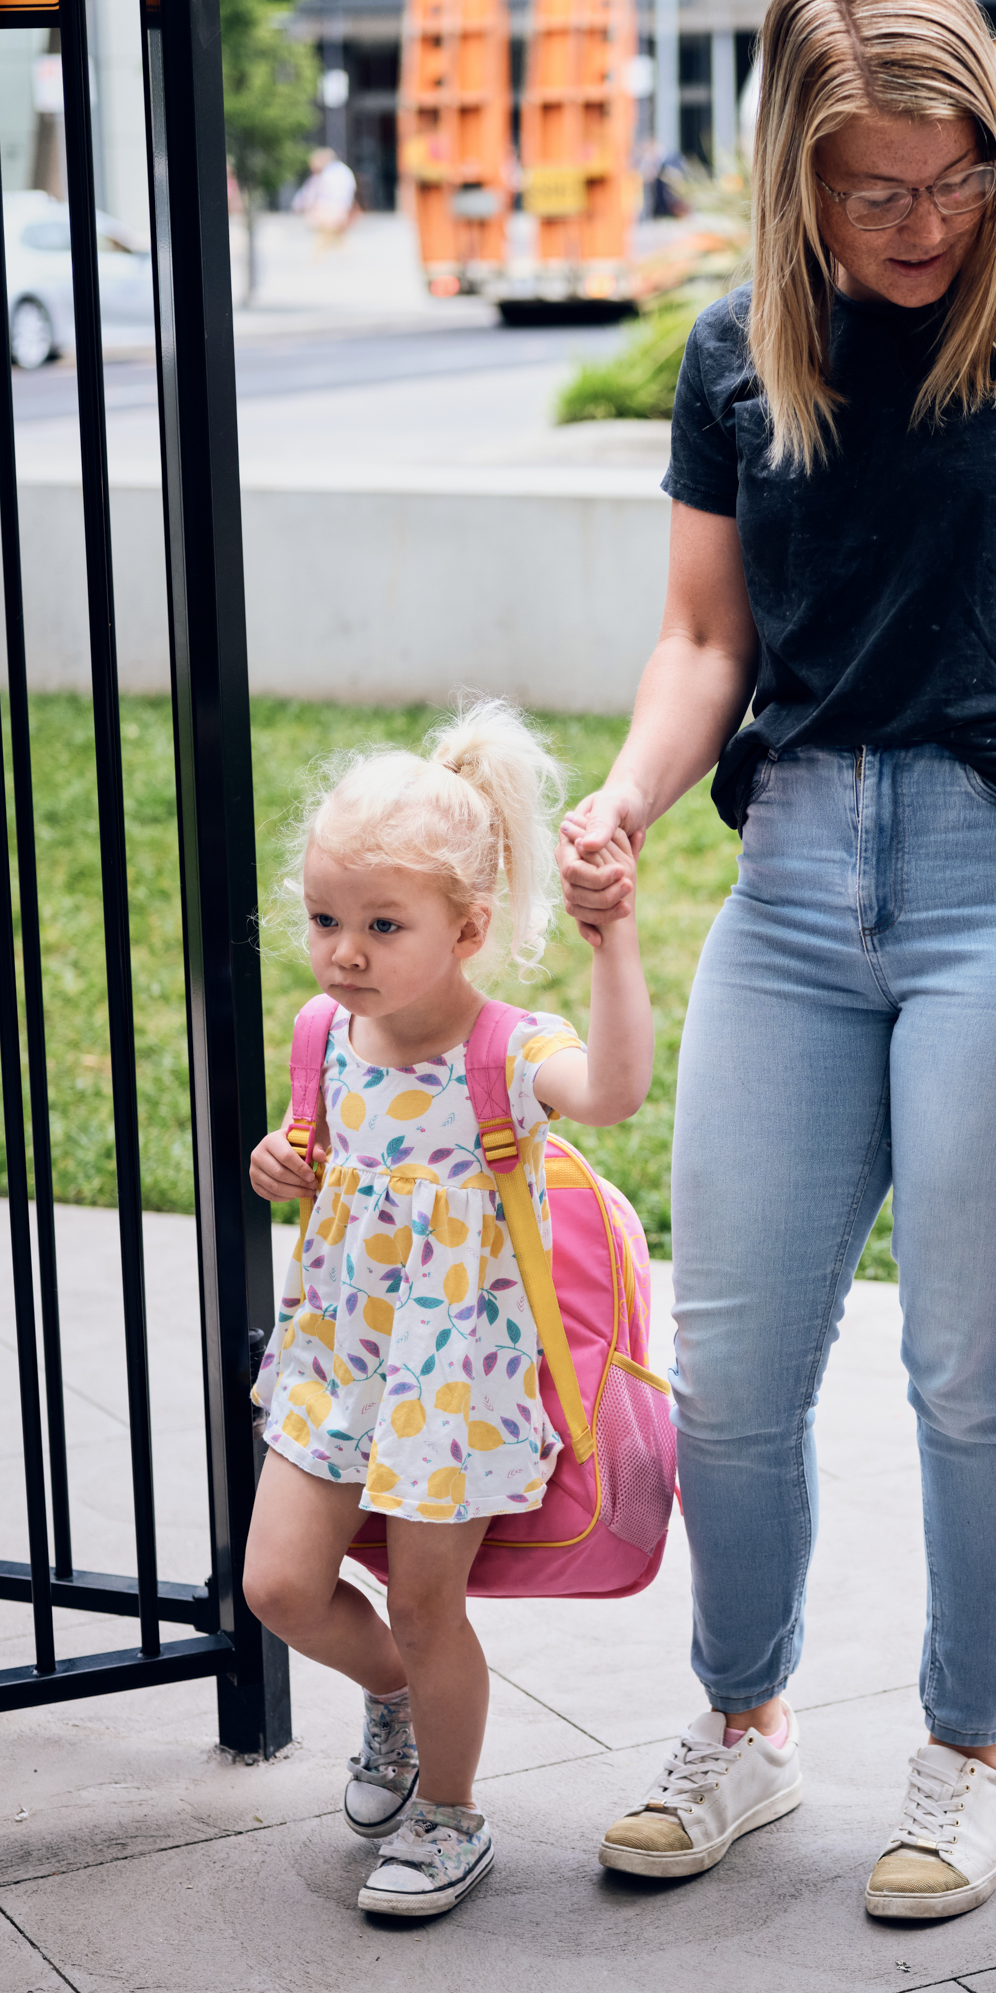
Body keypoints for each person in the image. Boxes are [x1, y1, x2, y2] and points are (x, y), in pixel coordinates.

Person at [556, 0, 996, 1921]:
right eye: (874, 191)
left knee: (967, 1365)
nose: (923, 223)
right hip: (792, 887)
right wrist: (626, 797)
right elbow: (702, 638)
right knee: (732, 1362)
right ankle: (740, 1727)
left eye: (955, 178)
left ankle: (968, 1753)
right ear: (797, 175)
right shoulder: (736, 349)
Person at [241, 703, 654, 1920]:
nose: (343, 952)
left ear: (468, 928)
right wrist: (283, 1160)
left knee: (428, 1609)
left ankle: (451, 1815)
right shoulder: (324, 1036)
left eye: (382, 925)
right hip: (338, 1361)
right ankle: (396, 1704)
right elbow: (328, 1160)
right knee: (277, 1588)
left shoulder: (505, 1055)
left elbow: (612, 1091)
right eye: (325, 919)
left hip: (454, 1380)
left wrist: (612, 945)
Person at [295, 144, 358, 253]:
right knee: (334, 235)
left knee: (322, 233)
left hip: (331, 211)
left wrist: (302, 206)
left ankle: (322, 252)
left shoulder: (326, 175)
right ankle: (340, 250)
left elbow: (311, 195)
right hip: (342, 209)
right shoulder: (342, 170)